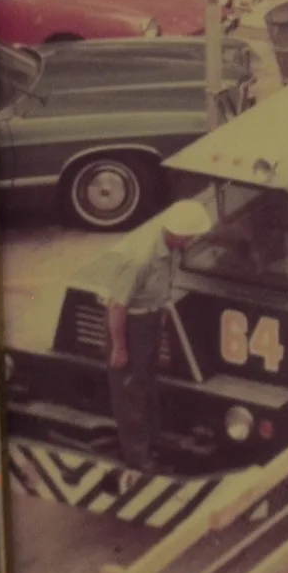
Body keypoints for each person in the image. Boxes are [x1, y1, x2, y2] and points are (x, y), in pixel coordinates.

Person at [96, 199, 212, 476]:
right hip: (129, 324)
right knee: (131, 393)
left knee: (147, 384)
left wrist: (158, 319)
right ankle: (138, 456)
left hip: (150, 318)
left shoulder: (172, 248)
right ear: (175, 233)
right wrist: (120, 347)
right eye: (188, 236)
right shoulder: (140, 258)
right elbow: (117, 306)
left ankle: (154, 441)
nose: (191, 241)